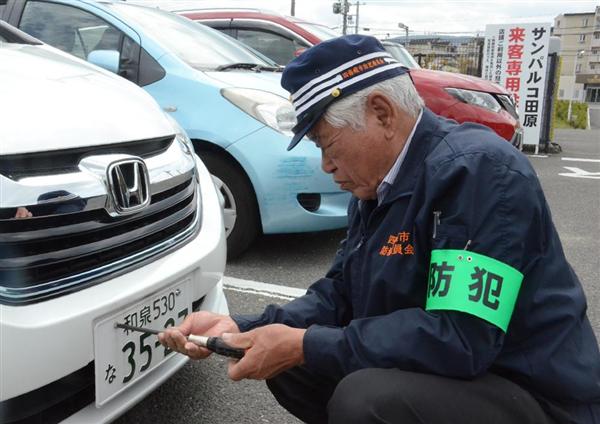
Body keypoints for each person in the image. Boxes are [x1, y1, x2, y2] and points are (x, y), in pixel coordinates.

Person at [160, 35, 600, 424]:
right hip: (467, 378)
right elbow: (338, 295)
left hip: (532, 392)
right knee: (286, 361)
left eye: (326, 144)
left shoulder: (476, 173)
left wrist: (306, 344)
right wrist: (241, 328)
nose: (326, 165)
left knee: (365, 398)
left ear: (382, 113)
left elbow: (462, 337)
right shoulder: (378, 188)